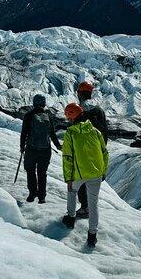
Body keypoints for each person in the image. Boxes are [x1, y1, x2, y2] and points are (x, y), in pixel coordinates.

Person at [61, 103, 109, 248]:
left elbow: (67, 157)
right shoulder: (95, 131)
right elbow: (105, 153)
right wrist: (103, 171)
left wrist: (68, 178)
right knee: (93, 204)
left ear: (71, 117)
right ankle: (92, 236)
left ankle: (70, 218)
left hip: (79, 174)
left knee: (72, 191)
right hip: (96, 174)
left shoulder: (70, 133)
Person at [75, 80, 108, 219]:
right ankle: (91, 207)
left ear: (80, 93)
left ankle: (85, 207)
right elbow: (105, 132)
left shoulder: (80, 110)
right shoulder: (99, 109)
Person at [20, 94, 61, 203]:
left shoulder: (28, 116)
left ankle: (32, 194)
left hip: (31, 149)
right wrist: (57, 145)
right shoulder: (48, 116)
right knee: (42, 173)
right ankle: (42, 197)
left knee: (30, 171)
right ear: (44, 103)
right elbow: (52, 133)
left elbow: (24, 133)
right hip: (45, 150)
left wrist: (22, 147)